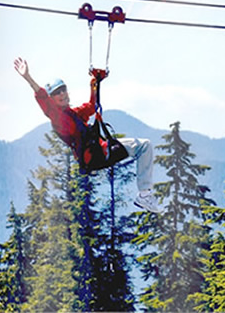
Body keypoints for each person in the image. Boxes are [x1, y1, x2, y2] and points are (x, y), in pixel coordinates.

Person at [14, 57, 160, 213]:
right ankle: (145, 195)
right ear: (52, 99)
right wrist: (28, 78)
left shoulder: (73, 114)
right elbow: (44, 100)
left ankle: (145, 195)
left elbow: (92, 106)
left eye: (63, 89)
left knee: (144, 146)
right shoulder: (59, 119)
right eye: (57, 93)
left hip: (100, 151)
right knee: (144, 146)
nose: (62, 94)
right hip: (97, 155)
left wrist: (94, 82)